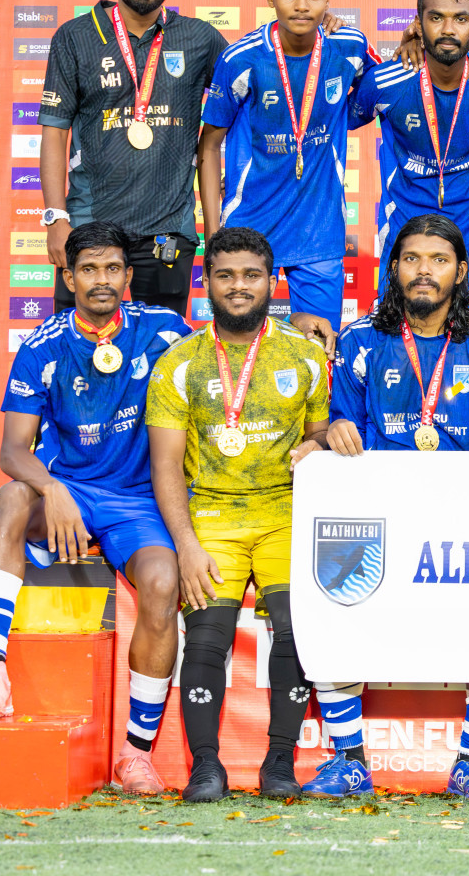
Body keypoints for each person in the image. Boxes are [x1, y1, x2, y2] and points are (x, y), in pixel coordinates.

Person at [0, 222, 190, 795]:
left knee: (162, 581)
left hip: (138, 502)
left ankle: (136, 754)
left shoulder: (164, 330)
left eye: (112, 268)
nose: (101, 280)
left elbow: (222, 366)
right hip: (71, 492)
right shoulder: (43, 345)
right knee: (13, 495)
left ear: (129, 275)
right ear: (68, 277)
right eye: (88, 269)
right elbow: (13, 451)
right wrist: (55, 488)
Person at [328, 213, 469, 796]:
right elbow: (338, 421)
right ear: (393, 269)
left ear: (461, 272)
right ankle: (349, 760)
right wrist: (335, 429)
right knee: (337, 613)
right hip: (381, 519)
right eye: (412, 259)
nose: (424, 271)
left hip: (467, 521)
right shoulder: (358, 341)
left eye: (439, 260)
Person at [146, 227, 331, 803]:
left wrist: (319, 444)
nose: (239, 286)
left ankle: (280, 760)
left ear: (273, 281)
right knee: (207, 637)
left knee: (297, 631)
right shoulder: (178, 363)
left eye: (251, 275)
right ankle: (206, 766)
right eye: (225, 275)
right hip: (211, 516)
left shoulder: (305, 356)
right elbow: (165, 468)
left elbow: (321, 434)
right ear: (206, 282)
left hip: (286, 514)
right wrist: (187, 545)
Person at [38, 0, 226, 316]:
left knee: (162, 344)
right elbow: (54, 131)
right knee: (79, 343)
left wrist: (321, 30)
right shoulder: (75, 36)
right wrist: (55, 218)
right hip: (89, 225)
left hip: (168, 230)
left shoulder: (200, 38)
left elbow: (255, 78)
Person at [198, 0, 380, 333]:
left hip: (320, 226)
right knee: (240, 341)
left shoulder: (349, 46)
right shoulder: (242, 59)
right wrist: (213, 235)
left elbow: (384, 86)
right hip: (249, 222)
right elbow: (209, 145)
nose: (301, 5)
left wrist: (413, 43)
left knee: (320, 343)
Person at [350, 0, 469, 320]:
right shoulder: (385, 83)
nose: (448, 30)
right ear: (418, 24)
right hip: (406, 241)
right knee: (399, 346)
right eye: (436, 18)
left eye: (460, 19)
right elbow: (337, 117)